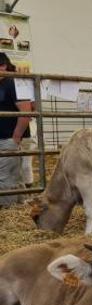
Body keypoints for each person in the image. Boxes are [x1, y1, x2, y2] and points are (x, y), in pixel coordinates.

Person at [0, 52, 32, 206]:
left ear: (3, 66)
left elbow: (26, 111)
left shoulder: (13, 83)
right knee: (15, 173)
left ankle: (7, 210)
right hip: (5, 138)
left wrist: (16, 137)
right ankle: (22, 204)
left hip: (9, 138)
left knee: (4, 175)